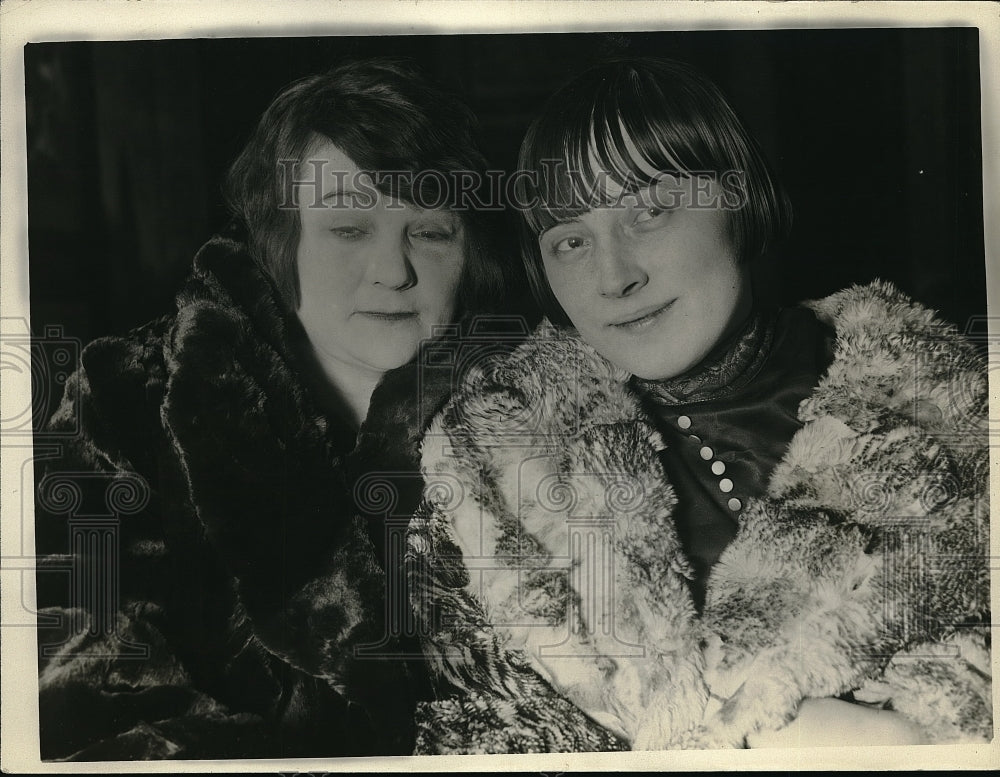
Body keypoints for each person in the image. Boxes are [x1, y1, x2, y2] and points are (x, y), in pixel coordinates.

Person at [407, 58, 991, 752]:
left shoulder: (953, 405)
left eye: (649, 212)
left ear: (738, 201)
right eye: (570, 241)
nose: (614, 276)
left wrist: (912, 734)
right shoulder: (493, 467)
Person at [33, 58, 509, 759]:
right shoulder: (124, 397)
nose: (393, 268)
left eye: (430, 231)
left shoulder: (524, 415)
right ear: (278, 241)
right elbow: (84, 696)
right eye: (348, 229)